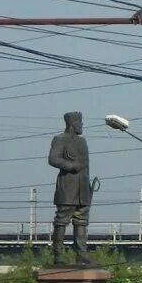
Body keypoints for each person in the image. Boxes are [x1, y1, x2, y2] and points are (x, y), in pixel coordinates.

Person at [47, 111, 95, 265]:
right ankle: (58, 254)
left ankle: (81, 253)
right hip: (67, 186)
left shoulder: (83, 141)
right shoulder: (60, 139)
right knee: (62, 220)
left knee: (81, 220)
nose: (82, 125)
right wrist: (71, 166)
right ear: (72, 124)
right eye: (80, 122)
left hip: (83, 187)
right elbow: (53, 158)